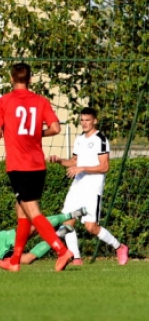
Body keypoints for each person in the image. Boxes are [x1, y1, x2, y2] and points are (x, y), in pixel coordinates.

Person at [0, 62, 73, 272]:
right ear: (30, 79)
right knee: (22, 212)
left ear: (11, 78)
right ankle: (15, 261)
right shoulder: (40, 101)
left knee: (33, 212)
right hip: (38, 164)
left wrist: (6, 130)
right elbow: (55, 128)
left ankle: (62, 251)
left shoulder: (2, 102)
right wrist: (36, 133)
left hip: (19, 165)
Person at [49, 107, 129, 265]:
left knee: (91, 227)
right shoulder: (79, 139)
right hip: (77, 186)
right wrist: (59, 160)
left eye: (87, 120)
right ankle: (76, 258)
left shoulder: (101, 139)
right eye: (82, 120)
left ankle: (119, 247)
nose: (84, 123)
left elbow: (105, 166)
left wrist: (82, 168)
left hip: (93, 189)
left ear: (95, 121)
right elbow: (73, 162)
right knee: (67, 221)